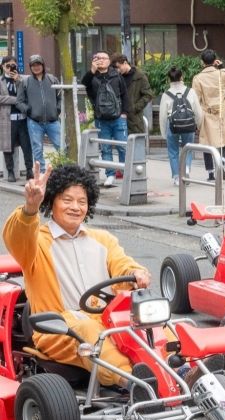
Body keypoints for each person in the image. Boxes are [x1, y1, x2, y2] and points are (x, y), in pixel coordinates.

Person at [2, 162, 151, 391]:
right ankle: (133, 383)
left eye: (82, 201)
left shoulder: (103, 239)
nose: (75, 207)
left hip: (106, 319)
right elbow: (17, 237)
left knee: (152, 317)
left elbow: (122, 264)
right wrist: (30, 207)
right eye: (67, 200)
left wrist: (135, 273)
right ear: (52, 201)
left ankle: (181, 369)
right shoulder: (37, 242)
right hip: (56, 327)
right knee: (91, 332)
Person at [192, 49, 225, 182]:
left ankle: (211, 173)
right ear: (215, 61)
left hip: (207, 113)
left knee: (207, 142)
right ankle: (223, 161)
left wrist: (197, 120)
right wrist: (222, 67)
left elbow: (196, 99)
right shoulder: (221, 74)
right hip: (223, 111)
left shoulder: (197, 78)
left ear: (202, 62)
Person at [82, 51, 128, 187]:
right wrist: (92, 70)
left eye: (103, 58)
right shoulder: (92, 77)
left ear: (109, 61)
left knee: (123, 147)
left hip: (118, 117)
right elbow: (84, 83)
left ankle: (126, 172)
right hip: (101, 118)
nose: (100, 60)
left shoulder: (116, 75)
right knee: (105, 148)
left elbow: (125, 94)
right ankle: (110, 175)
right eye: (97, 58)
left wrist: (124, 112)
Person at [158, 66, 203, 186]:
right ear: (182, 77)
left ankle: (177, 177)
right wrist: (198, 124)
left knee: (173, 152)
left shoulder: (166, 94)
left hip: (172, 124)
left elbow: (162, 115)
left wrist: (163, 132)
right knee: (187, 149)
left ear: (169, 80)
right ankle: (186, 168)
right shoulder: (190, 91)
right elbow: (198, 111)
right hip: (189, 123)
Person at [19, 55, 60, 176]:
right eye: (33, 65)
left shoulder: (52, 79)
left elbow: (60, 97)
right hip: (34, 122)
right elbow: (19, 101)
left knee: (62, 146)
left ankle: (63, 169)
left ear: (43, 65)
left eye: (38, 64)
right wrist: (28, 110)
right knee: (37, 149)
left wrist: (58, 109)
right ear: (30, 67)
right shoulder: (25, 82)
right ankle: (41, 173)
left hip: (53, 121)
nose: (36, 67)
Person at [2, 56, 32, 183]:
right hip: (7, 119)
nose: (10, 68)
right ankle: (10, 171)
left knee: (27, 145)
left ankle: (29, 170)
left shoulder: (23, 80)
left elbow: (28, 95)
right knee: (7, 147)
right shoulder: (0, 81)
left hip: (23, 119)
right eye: (7, 66)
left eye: (13, 65)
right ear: (2, 66)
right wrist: (16, 100)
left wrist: (18, 81)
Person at [111, 54, 154, 136]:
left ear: (125, 63)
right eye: (116, 68)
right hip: (119, 116)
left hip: (134, 119)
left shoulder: (140, 76)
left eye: (119, 67)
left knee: (136, 145)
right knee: (122, 145)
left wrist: (135, 108)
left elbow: (148, 95)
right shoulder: (116, 77)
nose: (118, 70)